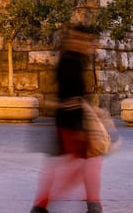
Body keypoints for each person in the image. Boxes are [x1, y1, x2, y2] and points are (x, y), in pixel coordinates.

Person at [29, 24, 103, 213]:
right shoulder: (70, 62)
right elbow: (69, 96)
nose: (86, 43)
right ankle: (91, 204)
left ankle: (42, 204)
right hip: (70, 121)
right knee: (83, 164)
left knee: (78, 163)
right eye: (82, 39)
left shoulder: (76, 59)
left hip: (69, 119)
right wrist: (81, 127)